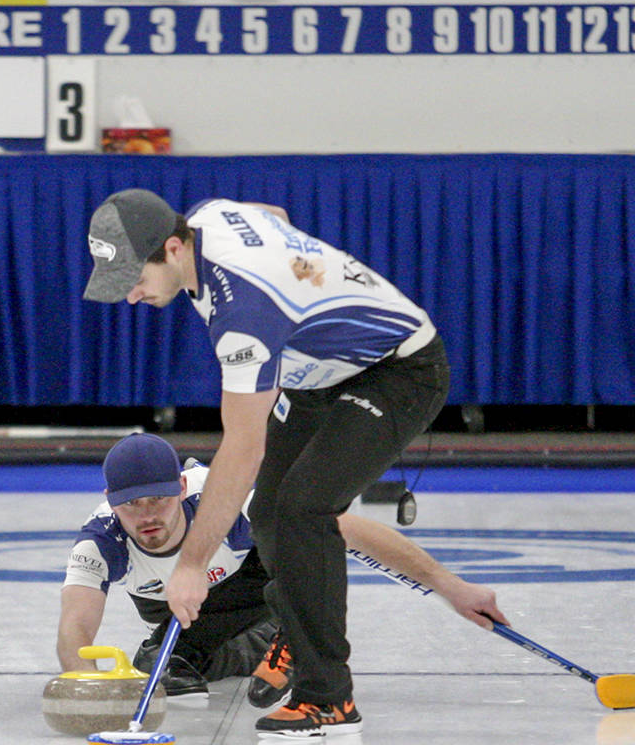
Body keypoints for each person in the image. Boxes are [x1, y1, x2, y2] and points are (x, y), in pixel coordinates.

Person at [82, 190, 466, 736]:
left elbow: (242, 449)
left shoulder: (243, 316)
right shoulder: (209, 215)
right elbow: (276, 217)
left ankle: (328, 699)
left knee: (304, 509)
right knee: (267, 512)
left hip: (396, 370)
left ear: (172, 248)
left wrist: (191, 566)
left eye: (136, 279)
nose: (132, 295)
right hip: (319, 372)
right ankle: (295, 626)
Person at [58, 433, 508, 709]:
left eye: (158, 499)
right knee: (161, 666)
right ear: (110, 500)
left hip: (253, 579)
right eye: (132, 505)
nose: (147, 516)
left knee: (296, 536)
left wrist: (452, 587)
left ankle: (295, 627)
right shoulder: (101, 540)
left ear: (180, 486)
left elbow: (347, 530)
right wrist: (86, 687)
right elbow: (75, 626)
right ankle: (266, 639)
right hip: (180, 609)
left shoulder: (226, 499)